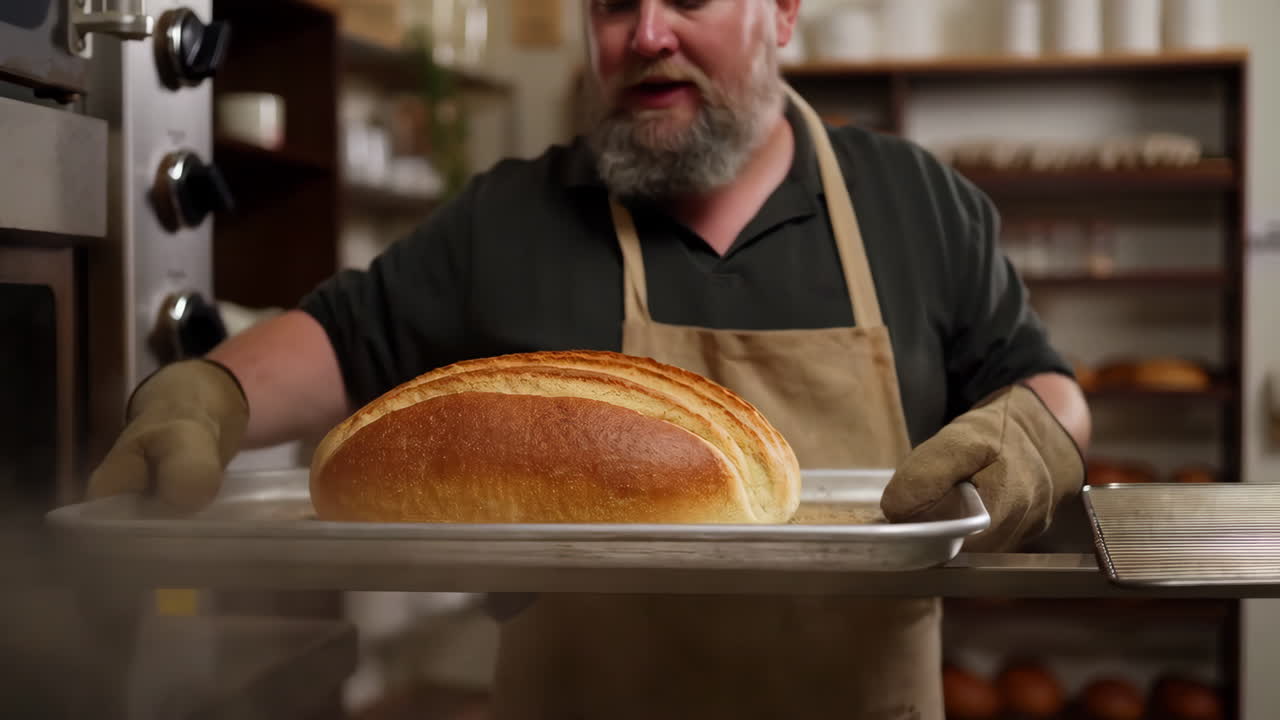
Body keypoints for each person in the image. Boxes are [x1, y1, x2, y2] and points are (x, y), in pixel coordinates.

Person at [88, 0, 1090, 716]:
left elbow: (1035, 376)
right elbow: (341, 340)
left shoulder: (911, 203)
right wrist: (204, 394)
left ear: (781, 12)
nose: (645, 31)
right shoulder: (512, 216)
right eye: (613, 3)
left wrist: (1036, 434)